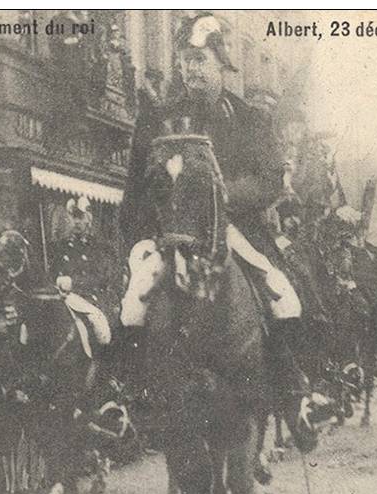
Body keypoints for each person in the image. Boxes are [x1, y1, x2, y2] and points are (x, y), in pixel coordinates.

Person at [119, 12, 336, 445]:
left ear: (221, 64)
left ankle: (298, 394)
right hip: (175, 235)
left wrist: (220, 195)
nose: (189, 68)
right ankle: (128, 399)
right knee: (131, 306)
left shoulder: (249, 119)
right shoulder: (160, 119)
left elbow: (271, 178)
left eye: (199, 60)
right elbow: (136, 189)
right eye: (184, 59)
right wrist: (143, 236)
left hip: (237, 231)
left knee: (287, 294)